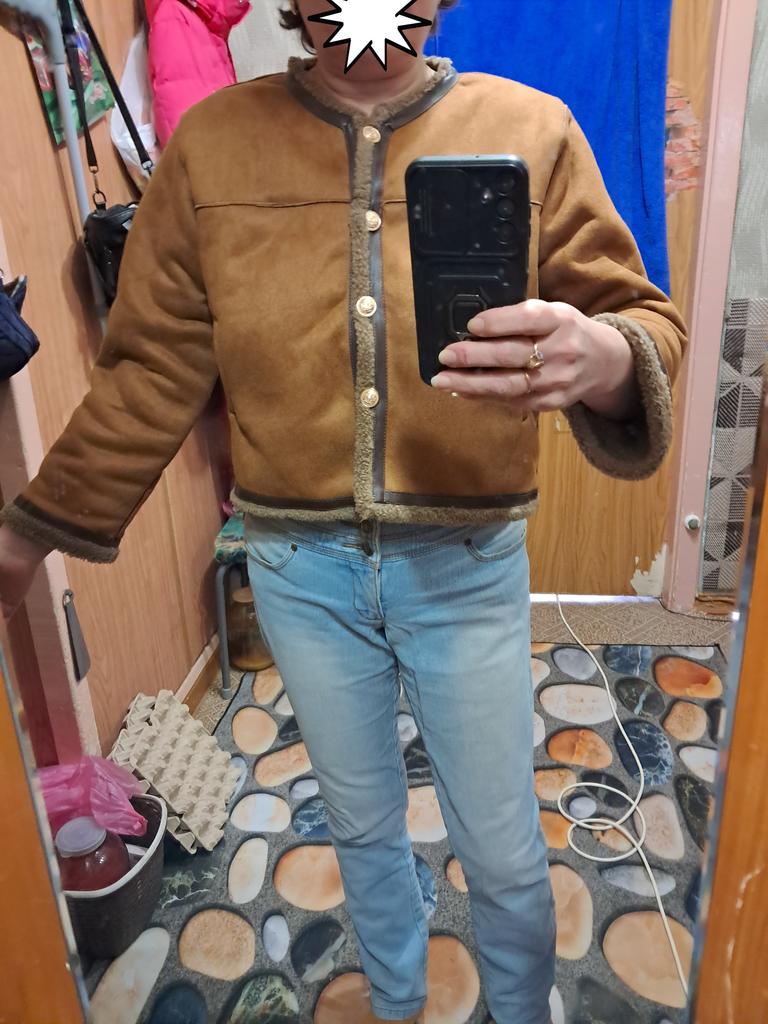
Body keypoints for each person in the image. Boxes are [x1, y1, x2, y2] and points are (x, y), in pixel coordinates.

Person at [0, 2, 686, 1021]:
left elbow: (645, 322)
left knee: (503, 849)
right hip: (298, 570)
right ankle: (397, 1001)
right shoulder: (213, 146)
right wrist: (26, 535)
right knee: (362, 830)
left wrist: (606, 357)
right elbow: (148, 370)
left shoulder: (531, 128)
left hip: (466, 563)